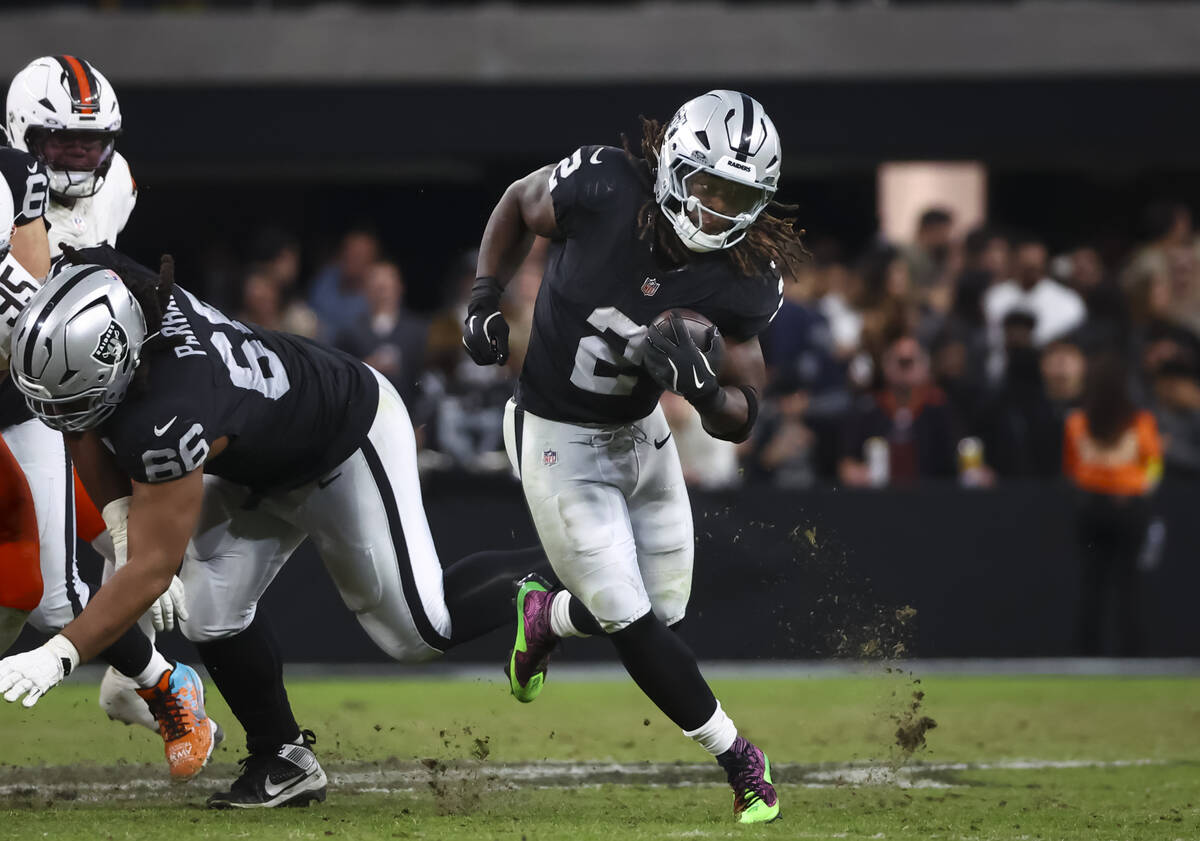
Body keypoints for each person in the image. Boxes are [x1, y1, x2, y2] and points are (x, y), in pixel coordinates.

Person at [0, 246, 555, 809]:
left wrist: (58, 654)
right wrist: (120, 519)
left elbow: (152, 568)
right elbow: (80, 419)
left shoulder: (171, 414)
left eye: (74, 399)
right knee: (209, 614)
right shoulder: (100, 285)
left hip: (343, 438)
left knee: (420, 633)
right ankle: (283, 759)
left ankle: (557, 570)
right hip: (256, 453)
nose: (58, 419)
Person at [463, 90, 795, 824]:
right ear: (674, 164)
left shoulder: (744, 273)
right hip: (556, 436)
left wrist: (707, 395)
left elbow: (745, 413)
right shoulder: (606, 186)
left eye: (736, 197)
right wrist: (485, 295)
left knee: (663, 608)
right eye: (708, 185)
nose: (716, 209)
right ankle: (740, 758)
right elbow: (519, 202)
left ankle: (547, 617)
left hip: (642, 435)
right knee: (628, 613)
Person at [0, 147, 216, 781]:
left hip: (22, 401)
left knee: (54, 598)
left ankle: (163, 685)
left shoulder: (19, 179)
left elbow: (39, 328)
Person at [1063, 353, 1161, 656]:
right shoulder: (1139, 422)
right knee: (1127, 581)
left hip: (1093, 505)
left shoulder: (1077, 422)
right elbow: (1153, 463)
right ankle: (1133, 653)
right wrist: (1140, 488)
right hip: (1128, 506)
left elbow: (1072, 468)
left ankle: (1088, 653)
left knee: (1093, 581)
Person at [839, 333, 960, 486]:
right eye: (900, 362)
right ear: (885, 366)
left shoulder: (940, 408)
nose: (905, 369)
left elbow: (958, 456)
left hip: (931, 494)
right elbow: (847, 462)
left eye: (910, 362)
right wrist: (853, 472)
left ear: (925, 367)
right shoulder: (867, 409)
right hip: (878, 494)